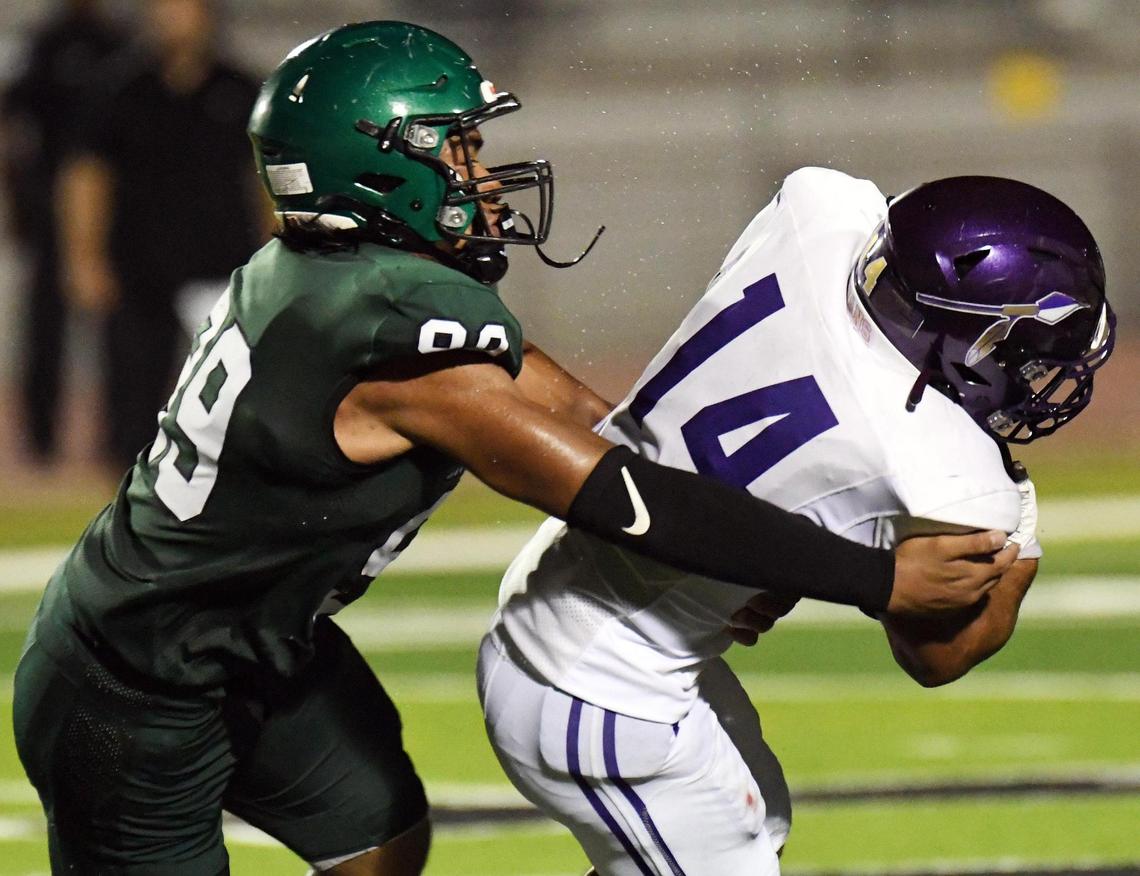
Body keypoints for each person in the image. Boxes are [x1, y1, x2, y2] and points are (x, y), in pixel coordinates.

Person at [14, 23, 1018, 876]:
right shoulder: (399, 349)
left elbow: (574, 411)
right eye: (454, 150)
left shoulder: (354, 278)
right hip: (134, 686)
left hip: (265, 645)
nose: (481, 176)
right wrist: (874, 576)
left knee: (381, 836)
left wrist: (727, 539)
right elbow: (623, 496)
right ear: (380, 165)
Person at [477, 167, 1115, 875]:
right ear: (976, 338)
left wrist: (779, 540)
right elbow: (942, 656)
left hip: (563, 587)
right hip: (604, 685)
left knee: (755, 818)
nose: (1044, 371)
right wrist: (1019, 509)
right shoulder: (947, 474)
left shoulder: (818, 212)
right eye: (1029, 350)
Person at [56, 0, 267, 471]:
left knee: (232, 390)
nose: (169, 17)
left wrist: (278, 252)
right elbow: (86, 178)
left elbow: (263, 179)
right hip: (138, 266)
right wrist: (84, 259)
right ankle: (124, 499)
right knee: (132, 395)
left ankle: (232, 490)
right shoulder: (116, 87)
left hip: (223, 266)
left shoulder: (241, 89)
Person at [0, 0, 127, 463]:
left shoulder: (120, 45)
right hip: (48, 210)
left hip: (118, 214)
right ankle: (40, 441)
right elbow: (14, 124)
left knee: (124, 331)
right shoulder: (46, 43)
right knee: (44, 328)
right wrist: (18, 197)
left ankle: (122, 439)